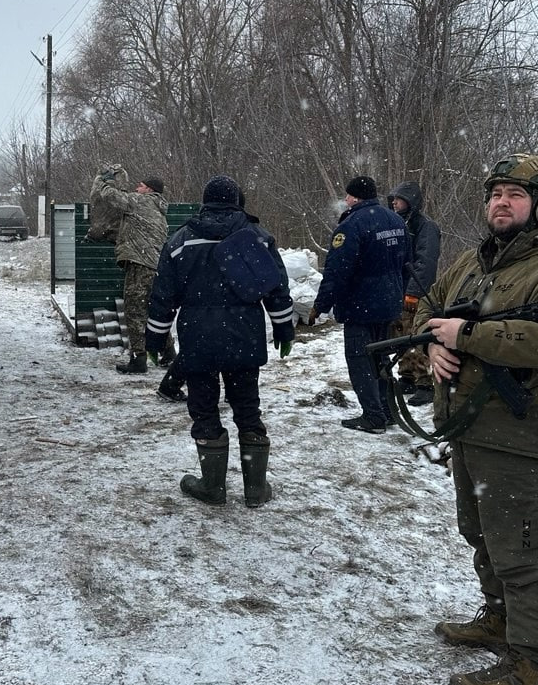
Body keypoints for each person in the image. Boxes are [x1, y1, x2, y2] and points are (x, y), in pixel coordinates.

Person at [415, 154, 538, 685]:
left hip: (521, 434)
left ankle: (527, 664)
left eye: (515, 194)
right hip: (470, 425)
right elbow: (430, 306)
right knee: (480, 532)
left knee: (522, 548)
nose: (501, 202)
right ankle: (498, 619)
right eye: (495, 193)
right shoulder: (474, 262)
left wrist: (468, 336)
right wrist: (432, 343)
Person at [146, 175, 295, 508]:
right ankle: (255, 489)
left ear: (205, 202)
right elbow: (277, 289)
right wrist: (284, 329)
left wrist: (154, 339)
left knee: (204, 410)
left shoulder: (181, 240)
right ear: (237, 202)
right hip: (244, 336)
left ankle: (212, 488)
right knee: (247, 408)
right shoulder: (258, 237)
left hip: (198, 338)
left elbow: (162, 297)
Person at [309, 175, 408, 434]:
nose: (345, 200)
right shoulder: (396, 221)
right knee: (380, 357)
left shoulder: (351, 225)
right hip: (388, 303)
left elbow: (337, 271)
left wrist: (320, 305)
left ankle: (373, 417)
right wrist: (398, 294)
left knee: (360, 360)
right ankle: (387, 411)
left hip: (361, 306)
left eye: (348, 195)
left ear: (354, 197)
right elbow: (405, 263)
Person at [92, 167, 168, 374]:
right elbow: (135, 230)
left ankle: (138, 360)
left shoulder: (141, 202)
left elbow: (111, 197)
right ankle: (169, 353)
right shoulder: (156, 208)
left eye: (140, 186)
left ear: (149, 190)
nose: (136, 188)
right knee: (152, 311)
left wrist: (105, 181)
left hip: (139, 265)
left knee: (135, 312)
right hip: (154, 266)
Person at [386, 180, 441, 407]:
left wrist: (414, 292)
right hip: (398, 288)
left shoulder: (425, 226)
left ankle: (425, 383)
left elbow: (426, 262)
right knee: (402, 335)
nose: (394, 203)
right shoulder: (398, 224)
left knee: (417, 336)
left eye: (399, 199)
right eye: (393, 199)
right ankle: (407, 377)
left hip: (416, 290)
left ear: (411, 201)